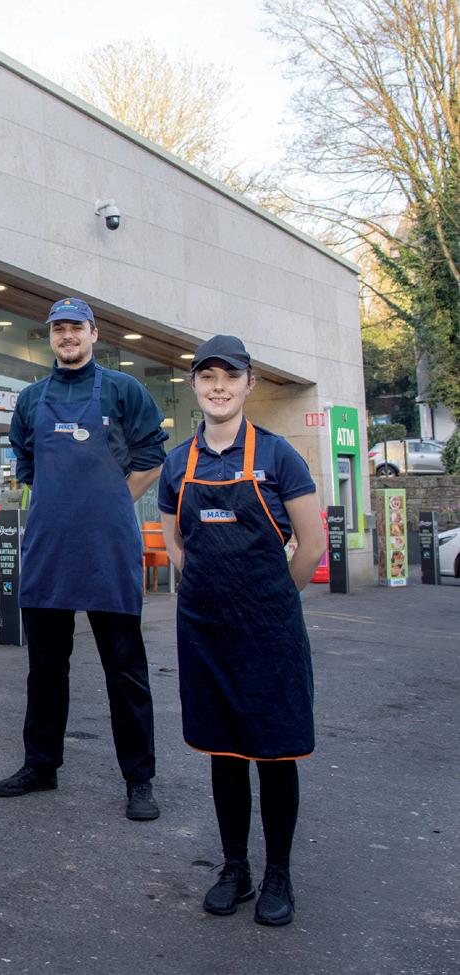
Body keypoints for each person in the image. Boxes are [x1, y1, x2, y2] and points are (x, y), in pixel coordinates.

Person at [158, 334, 325, 926]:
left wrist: (272, 601)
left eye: (230, 376)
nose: (219, 387)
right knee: (224, 751)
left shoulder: (279, 457)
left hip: (269, 630)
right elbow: (175, 544)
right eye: (207, 377)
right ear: (194, 385)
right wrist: (212, 593)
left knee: (275, 752)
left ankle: (278, 872)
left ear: (249, 383)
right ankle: (236, 868)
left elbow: (312, 545)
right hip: (206, 630)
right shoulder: (178, 463)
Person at [0, 297, 168, 821]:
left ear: (93, 333)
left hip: (108, 548)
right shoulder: (32, 398)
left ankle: (139, 779)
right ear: (50, 336)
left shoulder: (123, 390)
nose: (67, 336)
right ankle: (41, 764)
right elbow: (27, 463)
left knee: (125, 670)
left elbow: (151, 457)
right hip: (49, 548)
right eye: (58, 329)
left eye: (75, 327)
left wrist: (112, 500)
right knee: (45, 669)